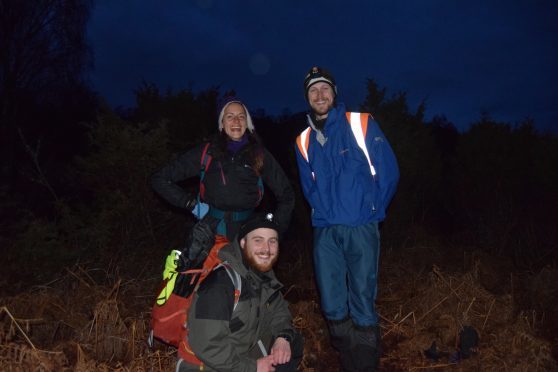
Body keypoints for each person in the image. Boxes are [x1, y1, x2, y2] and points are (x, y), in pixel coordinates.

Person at [294, 66, 399, 371]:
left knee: (362, 300)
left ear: (334, 93)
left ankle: (363, 364)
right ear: (307, 98)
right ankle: (345, 353)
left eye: (325, 88)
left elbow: (389, 172)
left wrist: (372, 211)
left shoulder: (360, 124)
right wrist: (323, 214)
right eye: (313, 91)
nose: (320, 94)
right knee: (331, 302)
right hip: (326, 231)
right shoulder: (303, 141)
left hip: (360, 227)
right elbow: (308, 186)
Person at [151, 96, 294, 242]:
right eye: (230, 116)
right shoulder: (206, 152)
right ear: (222, 122)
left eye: (241, 116)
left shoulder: (260, 154)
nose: (236, 121)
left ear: (247, 122)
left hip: (248, 234)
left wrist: (275, 230)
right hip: (211, 232)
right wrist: (190, 204)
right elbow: (159, 179)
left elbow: (287, 194)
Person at [176, 213, 303, 372]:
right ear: (242, 243)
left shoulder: (263, 276)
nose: (266, 249)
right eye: (258, 240)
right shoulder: (220, 283)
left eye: (272, 241)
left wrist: (282, 337)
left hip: (241, 353)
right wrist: (253, 367)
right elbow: (207, 345)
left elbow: (279, 311)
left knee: (293, 343)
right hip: (205, 365)